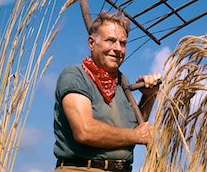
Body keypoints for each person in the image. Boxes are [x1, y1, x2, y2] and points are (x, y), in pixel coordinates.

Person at [53, 11, 161, 172]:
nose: (117, 48)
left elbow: (135, 129)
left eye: (123, 43)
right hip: (82, 168)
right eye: (111, 40)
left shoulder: (121, 82)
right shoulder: (75, 75)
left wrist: (149, 96)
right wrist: (136, 136)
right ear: (91, 43)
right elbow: (85, 130)